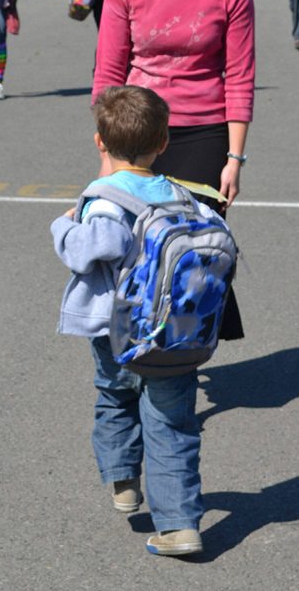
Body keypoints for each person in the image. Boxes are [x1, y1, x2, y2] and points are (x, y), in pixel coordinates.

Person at [93, 0, 255, 338]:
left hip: (204, 133)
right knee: (134, 254)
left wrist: (234, 159)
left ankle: (177, 364)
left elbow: (240, 78)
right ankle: (139, 358)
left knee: (192, 259)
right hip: (136, 132)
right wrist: (107, 154)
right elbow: (108, 73)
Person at [51, 86, 208, 556]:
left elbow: (89, 252)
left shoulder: (105, 200)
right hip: (176, 334)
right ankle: (180, 524)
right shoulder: (181, 194)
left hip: (116, 331)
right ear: (164, 143)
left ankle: (123, 480)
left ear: (100, 142)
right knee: (172, 422)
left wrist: (62, 224)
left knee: (116, 396)